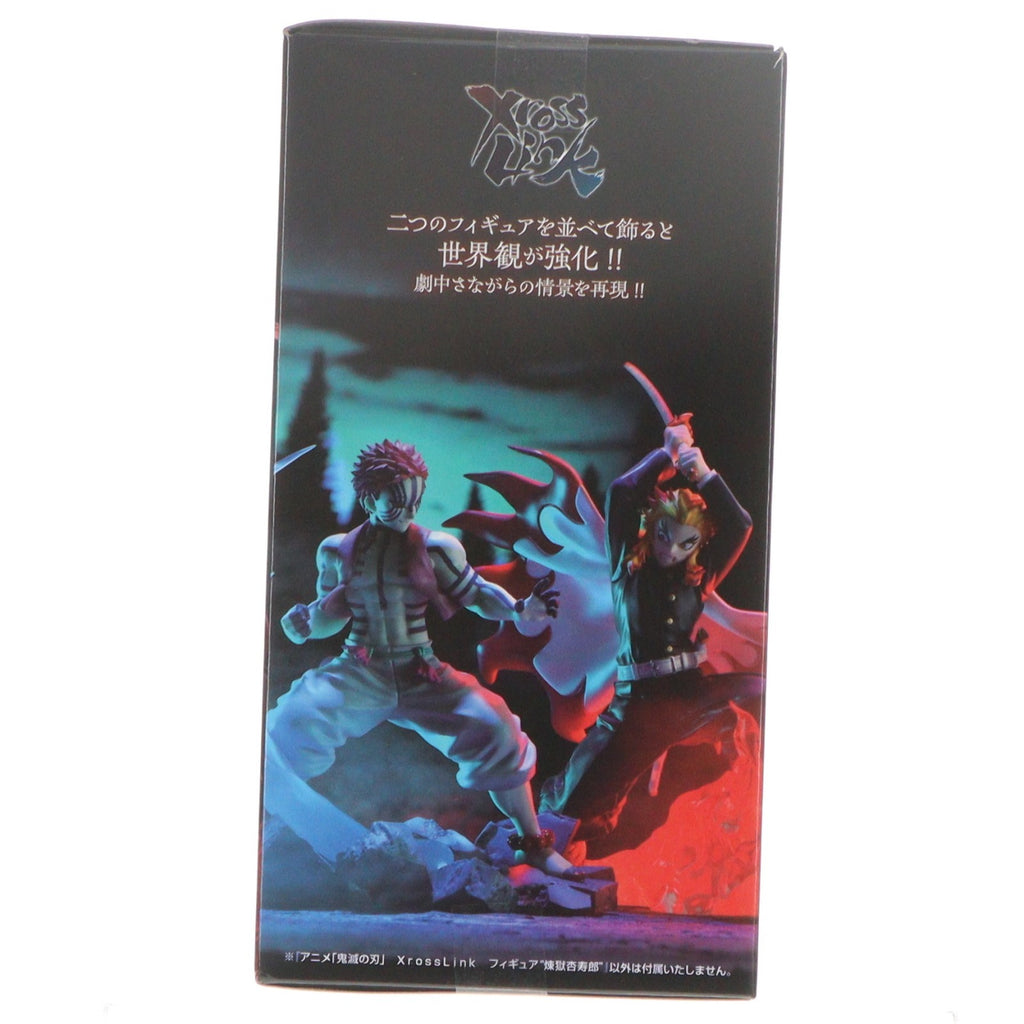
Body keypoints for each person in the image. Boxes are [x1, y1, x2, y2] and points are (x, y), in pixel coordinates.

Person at [266, 439, 575, 876]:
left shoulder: (437, 548)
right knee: (287, 727)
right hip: (360, 670)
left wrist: (519, 609)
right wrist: (304, 624)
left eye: (415, 499)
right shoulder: (337, 551)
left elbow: (476, 593)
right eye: (396, 500)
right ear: (369, 498)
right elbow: (328, 615)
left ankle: (532, 844)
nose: (408, 510)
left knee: (497, 729)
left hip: (420, 671)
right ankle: (276, 831)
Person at [539, 419, 764, 846]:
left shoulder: (699, 578)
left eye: (685, 543)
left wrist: (702, 472)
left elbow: (740, 525)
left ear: (697, 544)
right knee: (571, 808)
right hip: (637, 708)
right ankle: (543, 856)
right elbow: (622, 493)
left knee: (762, 693)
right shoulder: (628, 567)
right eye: (664, 536)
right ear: (652, 527)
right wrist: (667, 453)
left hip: (689, 696)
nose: (671, 550)